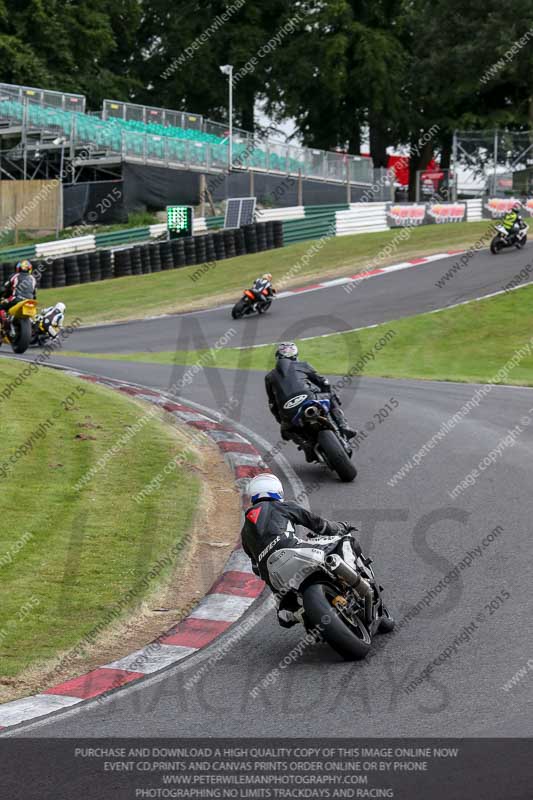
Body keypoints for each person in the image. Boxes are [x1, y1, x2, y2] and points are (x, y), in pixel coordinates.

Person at [241, 473, 363, 627]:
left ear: (252, 496)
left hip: (274, 576)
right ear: (278, 491)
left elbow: (256, 569)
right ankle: (353, 580)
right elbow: (321, 526)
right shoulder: (285, 506)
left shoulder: (245, 531)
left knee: (284, 616)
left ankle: (301, 613)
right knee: (345, 541)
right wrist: (342, 527)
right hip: (293, 551)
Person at [265, 342, 356, 461]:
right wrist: (325, 391)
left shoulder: (269, 377)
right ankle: (344, 426)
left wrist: (281, 420)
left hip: (288, 411)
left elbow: (272, 403)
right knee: (331, 396)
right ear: (295, 356)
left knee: (286, 430)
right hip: (309, 399)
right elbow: (324, 383)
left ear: (278, 357)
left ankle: (306, 446)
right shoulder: (303, 365)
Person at [0, 260, 37, 327]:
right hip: (30, 301)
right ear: (30, 268)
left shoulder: (15, 276)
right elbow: (34, 293)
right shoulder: (33, 278)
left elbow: (5, 288)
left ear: (18, 268)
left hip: (17, 299)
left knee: (1, 306)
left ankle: (4, 322)